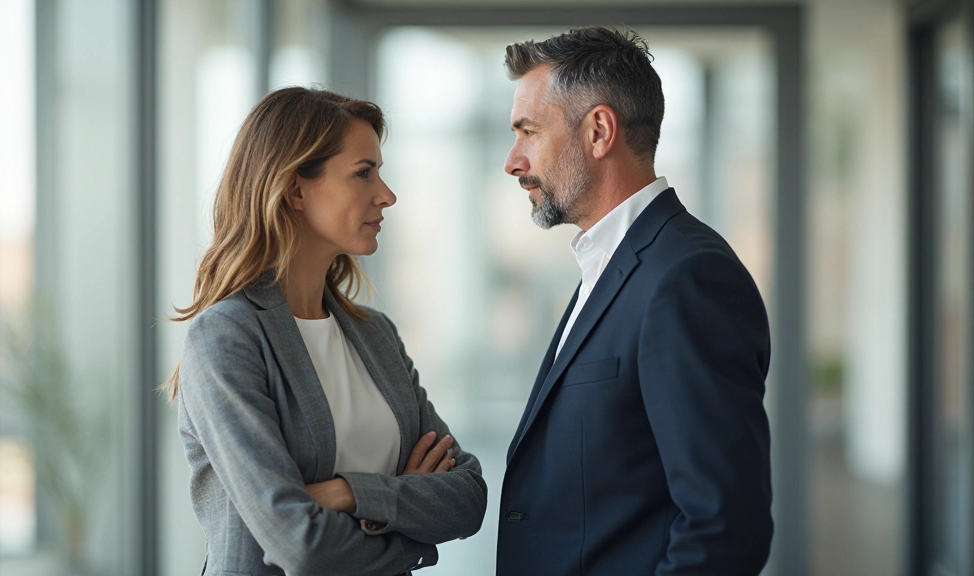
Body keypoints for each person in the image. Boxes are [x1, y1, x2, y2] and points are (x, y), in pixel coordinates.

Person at [164, 87, 487, 576]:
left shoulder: (375, 335)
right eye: (363, 173)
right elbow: (301, 545)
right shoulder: (227, 338)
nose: (387, 194)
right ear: (295, 189)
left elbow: (468, 497)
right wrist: (414, 538)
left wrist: (349, 492)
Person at [497, 27, 773, 575]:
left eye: (528, 131)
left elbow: (723, 527)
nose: (513, 160)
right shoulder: (609, 263)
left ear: (599, 130)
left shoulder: (688, 277)